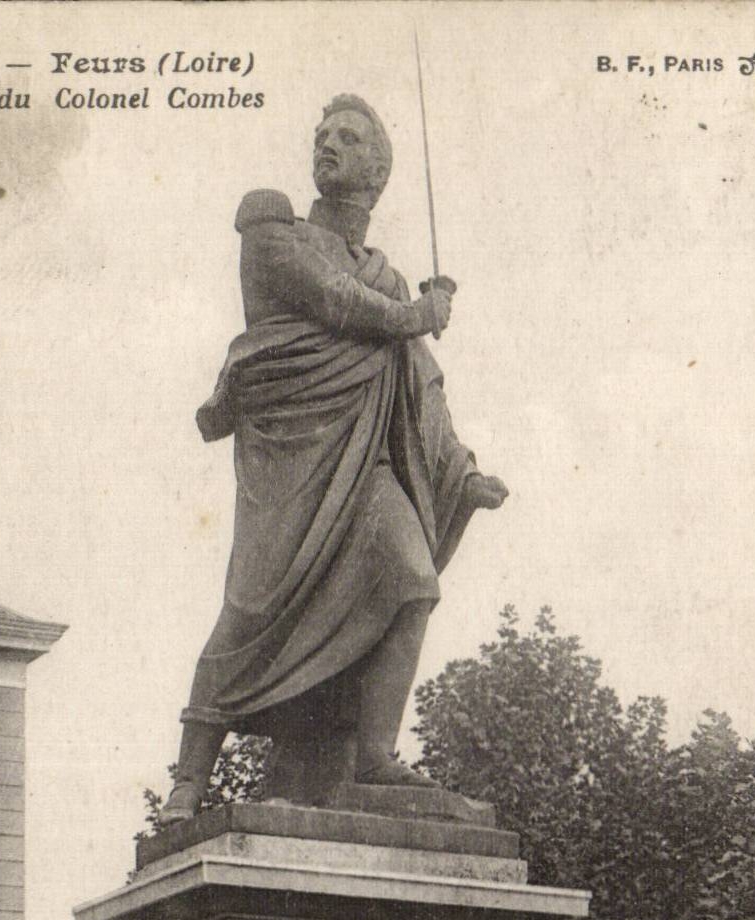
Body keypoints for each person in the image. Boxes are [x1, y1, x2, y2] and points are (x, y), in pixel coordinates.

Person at [160, 93, 507, 822]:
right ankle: (190, 777)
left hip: (366, 461)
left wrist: (461, 470)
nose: (327, 144)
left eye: (347, 138)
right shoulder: (271, 226)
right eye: (321, 135)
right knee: (254, 607)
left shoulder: (387, 273)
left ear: (377, 172)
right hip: (293, 457)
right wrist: (417, 314)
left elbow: (419, 383)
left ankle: (374, 756)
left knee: (412, 580)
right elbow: (329, 299)